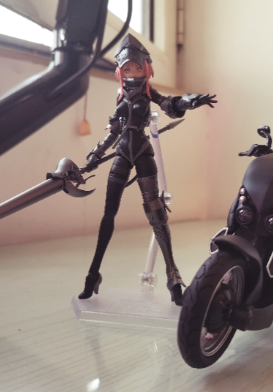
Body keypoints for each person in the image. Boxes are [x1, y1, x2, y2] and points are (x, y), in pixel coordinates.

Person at [78, 34, 216, 305]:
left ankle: (173, 276)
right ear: (120, 70)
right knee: (108, 214)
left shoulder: (149, 93)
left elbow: (171, 105)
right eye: (127, 68)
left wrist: (191, 101)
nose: (132, 72)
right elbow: (114, 131)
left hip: (143, 154)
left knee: (157, 215)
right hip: (122, 153)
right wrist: (96, 153)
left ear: (146, 68)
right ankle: (93, 275)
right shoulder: (120, 95)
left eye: (137, 67)